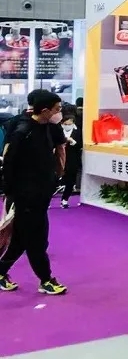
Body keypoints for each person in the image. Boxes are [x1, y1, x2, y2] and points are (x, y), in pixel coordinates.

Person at [0, 90, 68, 295]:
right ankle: (46, 279)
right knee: (36, 240)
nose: (59, 113)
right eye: (57, 109)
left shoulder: (49, 127)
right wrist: (12, 193)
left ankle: (1, 272)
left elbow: (59, 151)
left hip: (41, 193)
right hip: (25, 195)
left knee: (22, 238)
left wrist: (57, 176)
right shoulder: (22, 130)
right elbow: (8, 162)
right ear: (45, 110)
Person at [59, 109, 82, 208]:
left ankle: (65, 199)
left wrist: (73, 142)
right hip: (59, 158)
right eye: (66, 124)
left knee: (71, 180)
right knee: (54, 179)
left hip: (72, 159)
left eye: (70, 124)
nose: (68, 126)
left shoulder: (78, 131)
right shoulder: (58, 130)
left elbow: (80, 145)